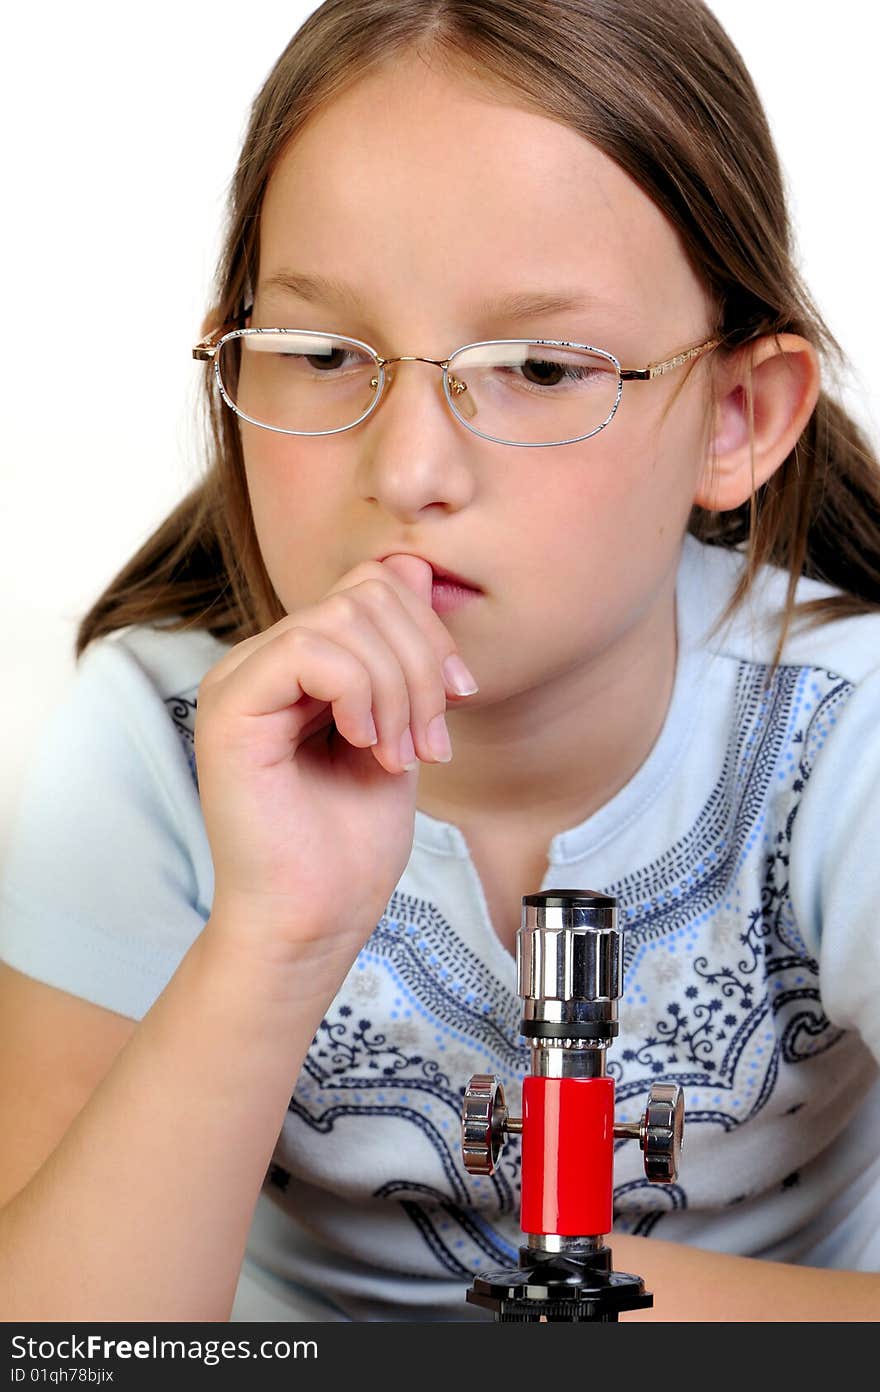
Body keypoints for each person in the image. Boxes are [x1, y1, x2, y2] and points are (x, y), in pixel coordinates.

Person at [1, 0, 879, 1324]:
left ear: (737, 418)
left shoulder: (846, 732)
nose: (408, 471)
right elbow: (66, 1351)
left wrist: (599, 1312)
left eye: (539, 365)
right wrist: (278, 933)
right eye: (320, 354)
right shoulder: (149, 736)